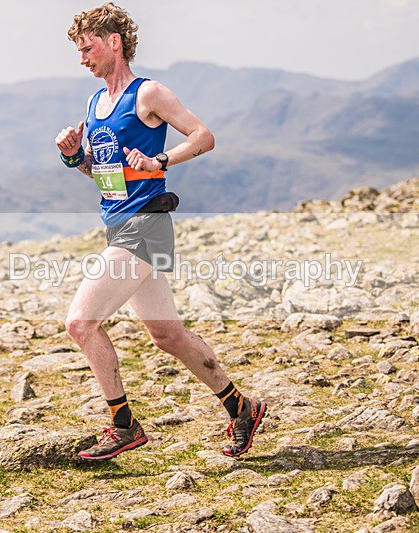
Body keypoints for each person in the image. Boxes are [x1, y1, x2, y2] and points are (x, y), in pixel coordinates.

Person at [55, 2, 267, 461]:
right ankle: (241, 407)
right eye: (77, 51)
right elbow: (103, 174)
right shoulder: (95, 103)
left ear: (114, 42)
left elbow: (203, 135)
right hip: (120, 226)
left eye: (87, 48)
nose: (82, 59)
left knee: (80, 323)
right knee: (167, 336)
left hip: (146, 225)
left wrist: (161, 161)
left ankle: (123, 425)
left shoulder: (147, 93)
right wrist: (75, 156)